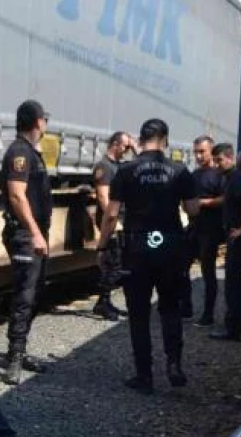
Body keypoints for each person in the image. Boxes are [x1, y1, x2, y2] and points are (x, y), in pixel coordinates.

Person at [97, 119, 200, 394]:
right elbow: (193, 210)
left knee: (139, 314)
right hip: (169, 248)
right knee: (170, 308)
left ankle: (145, 376)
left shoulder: (126, 170)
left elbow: (110, 213)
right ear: (164, 139)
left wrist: (102, 245)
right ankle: (174, 365)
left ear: (141, 139)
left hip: (137, 250)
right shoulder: (179, 171)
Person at [0, 99, 55, 385]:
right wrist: (34, 232)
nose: (46, 124)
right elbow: (17, 196)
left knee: (35, 294)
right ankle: (14, 356)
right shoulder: (19, 153)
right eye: (45, 119)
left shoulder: (33, 153)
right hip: (24, 235)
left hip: (34, 234)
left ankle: (20, 349)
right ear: (37, 122)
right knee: (24, 295)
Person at [209, 143, 241, 341]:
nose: (216, 164)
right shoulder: (230, 179)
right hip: (239, 238)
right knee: (236, 282)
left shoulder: (237, 178)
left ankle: (235, 329)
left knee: (233, 283)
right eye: (215, 160)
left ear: (230, 158)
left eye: (219, 159)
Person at [180, 135, 226, 326]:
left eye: (202, 152)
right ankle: (186, 309)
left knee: (208, 272)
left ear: (211, 151)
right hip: (193, 227)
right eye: (196, 152)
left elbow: (226, 198)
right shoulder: (194, 175)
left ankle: (207, 315)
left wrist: (203, 203)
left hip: (210, 230)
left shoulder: (219, 175)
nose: (198, 156)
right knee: (181, 268)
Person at [90, 131, 134, 321]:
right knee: (113, 264)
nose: (127, 150)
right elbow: (103, 197)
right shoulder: (104, 166)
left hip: (121, 220)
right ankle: (102, 303)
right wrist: (113, 221)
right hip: (112, 222)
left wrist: (134, 147)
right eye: (125, 146)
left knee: (118, 263)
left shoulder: (118, 166)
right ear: (115, 144)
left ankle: (105, 301)